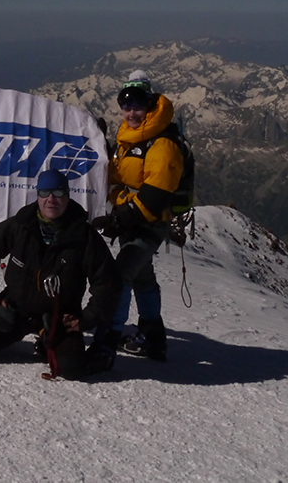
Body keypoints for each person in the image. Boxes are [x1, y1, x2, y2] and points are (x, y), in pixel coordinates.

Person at [0, 169, 121, 379]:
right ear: (38, 195)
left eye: (58, 192)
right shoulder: (20, 226)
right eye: (45, 192)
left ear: (68, 196)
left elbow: (108, 283)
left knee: (71, 369)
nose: (51, 199)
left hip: (58, 319)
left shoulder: (84, 236)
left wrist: (85, 320)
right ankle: (30, 337)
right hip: (16, 310)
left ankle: (49, 342)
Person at [90, 70, 183, 361]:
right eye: (126, 106)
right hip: (131, 221)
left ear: (150, 105)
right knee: (142, 278)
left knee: (120, 276)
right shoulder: (131, 138)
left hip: (150, 224)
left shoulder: (163, 144)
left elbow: (155, 196)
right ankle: (153, 339)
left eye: (138, 106)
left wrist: (119, 219)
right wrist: (101, 146)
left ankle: (107, 342)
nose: (131, 113)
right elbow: (119, 174)